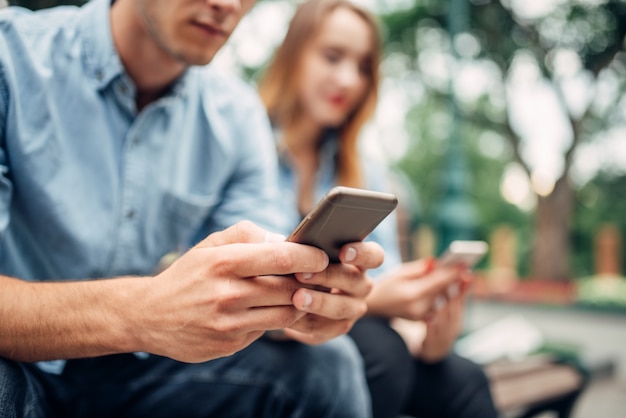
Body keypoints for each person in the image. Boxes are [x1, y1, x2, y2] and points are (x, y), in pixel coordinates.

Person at [0, 0, 386, 417]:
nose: (227, 5)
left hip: (135, 372)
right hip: (16, 363)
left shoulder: (236, 116)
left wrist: (301, 302)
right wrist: (139, 312)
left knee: (329, 366)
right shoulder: (13, 58)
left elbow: (255, 282)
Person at [258, 1, 499, 417]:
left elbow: (384, 279)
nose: (349, 80)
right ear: (294, 53)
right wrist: (380, 300)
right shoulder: (248, 144)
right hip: (268, 339)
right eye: (332, 56)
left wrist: (426, 338)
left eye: (364, 66)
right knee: (380, 352)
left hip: (355, 331)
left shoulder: (363, 171)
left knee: (464, 378)